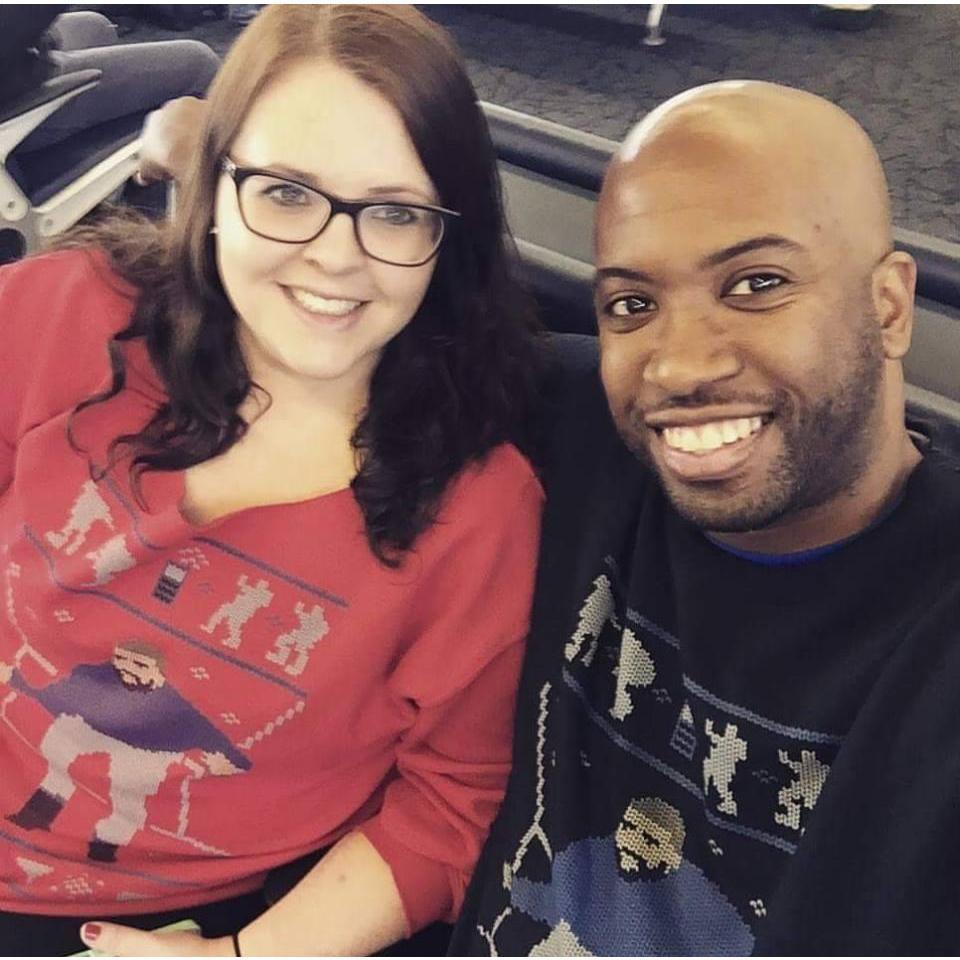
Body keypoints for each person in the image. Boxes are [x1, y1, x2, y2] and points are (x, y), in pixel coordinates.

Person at [0, 5, 544, 956]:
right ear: (213, 186)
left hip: (176, 920)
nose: (336, 254)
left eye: (396, 211)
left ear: (446, 236)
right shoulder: (66, 313)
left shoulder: (477, 513)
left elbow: (452, 805)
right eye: (287, 193)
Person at [450, 81, 960, 955]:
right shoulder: (582, 438)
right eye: (632, 305)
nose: (679, 366)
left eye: (756, 283)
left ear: (889, 306)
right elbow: (334, 312)